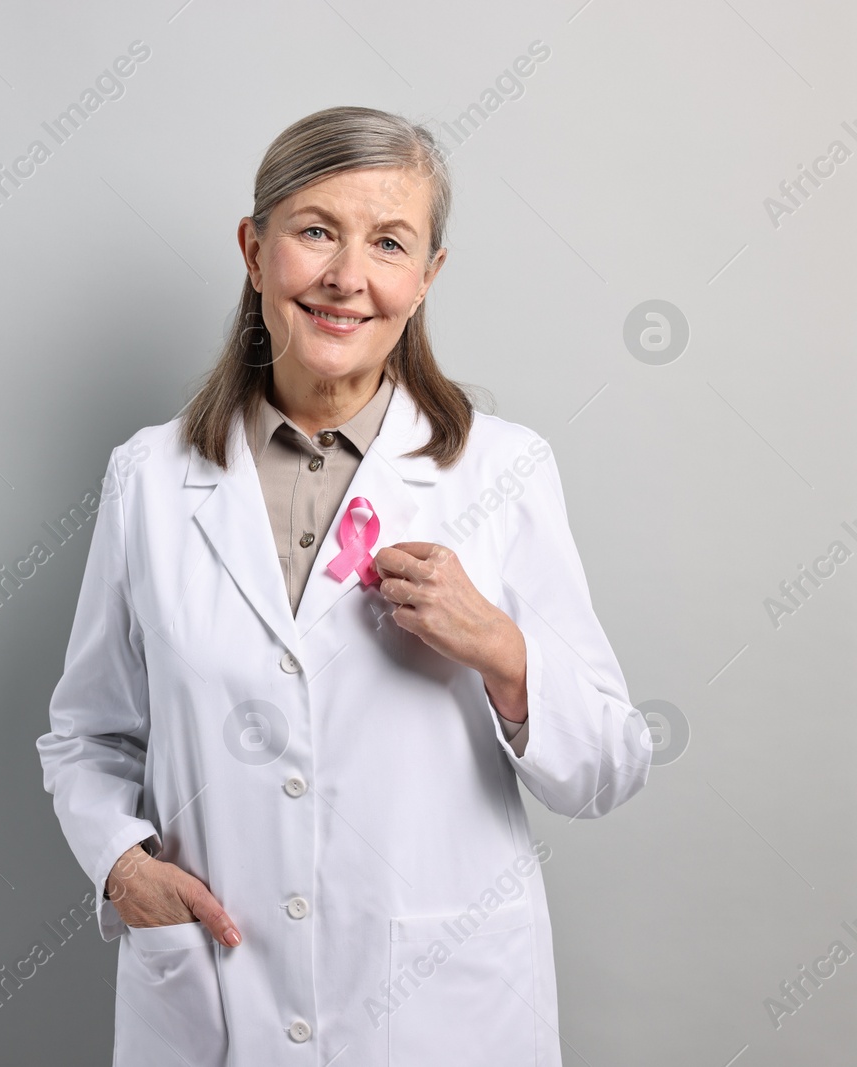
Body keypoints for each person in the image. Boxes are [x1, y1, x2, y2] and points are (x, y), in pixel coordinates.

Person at [35, 106, 652, 1066]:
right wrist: (121, 866)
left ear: (428, 277)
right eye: (316, 230)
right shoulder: (149, 479)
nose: (346, 278)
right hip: (219, 995)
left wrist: (500, 648)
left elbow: (609, 763)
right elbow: (88, 733)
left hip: (438, 1010)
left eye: (389, 243)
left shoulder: (502, 472)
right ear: (254, 248)